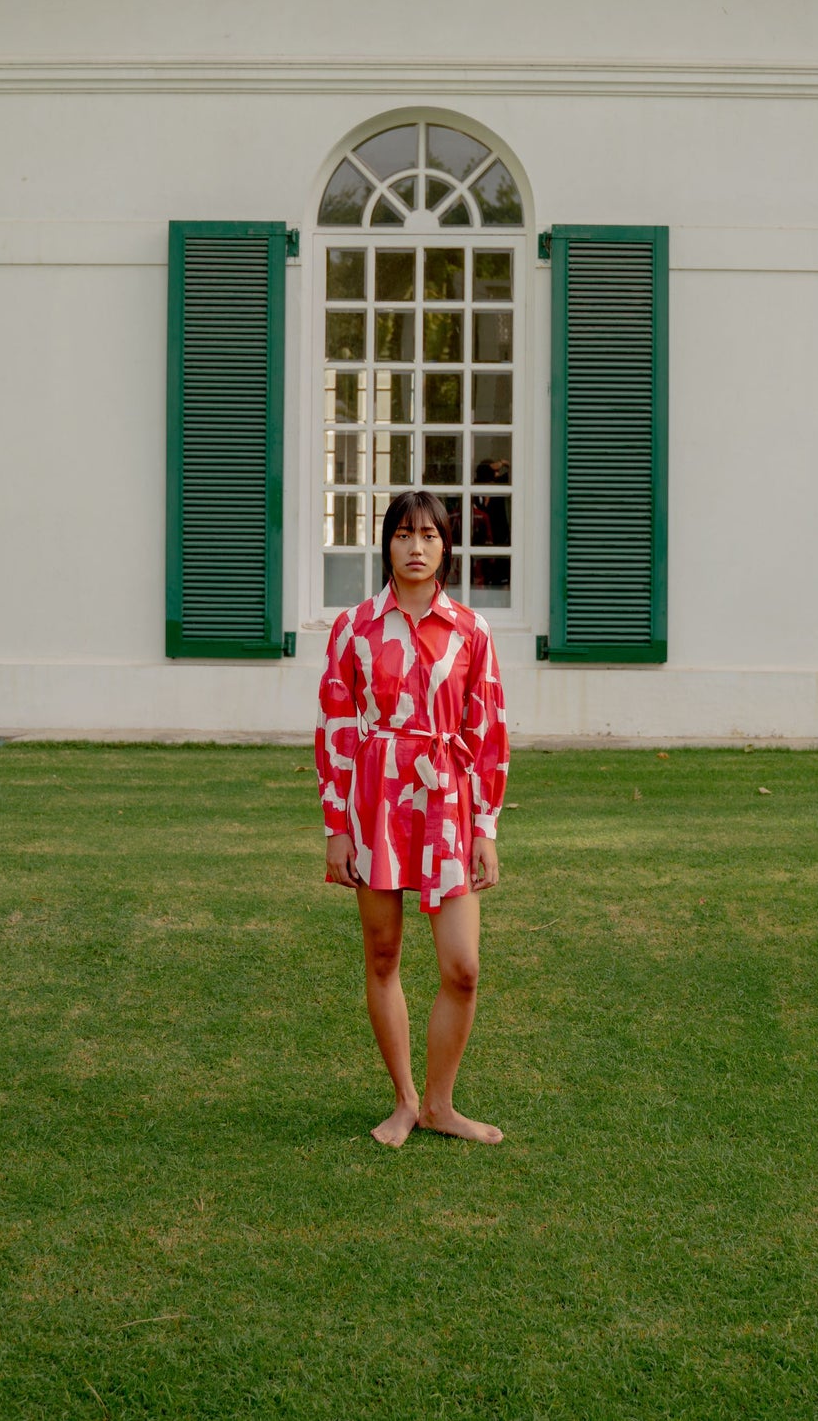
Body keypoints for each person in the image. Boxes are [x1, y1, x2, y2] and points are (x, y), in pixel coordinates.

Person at [315, 489, 509, 1147]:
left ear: (446, 546)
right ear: (386, 545)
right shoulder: (355, 629)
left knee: (463, 968)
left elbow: (487, 731)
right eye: (403, 534)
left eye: (429, 535)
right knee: (383, 956)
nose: (416, 547)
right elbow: (336, 728)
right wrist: (336, 828)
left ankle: (441, 1105)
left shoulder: (471, 631)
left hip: (447, 804)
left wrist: (485, 827)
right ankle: (403, 1101)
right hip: (376, 798)